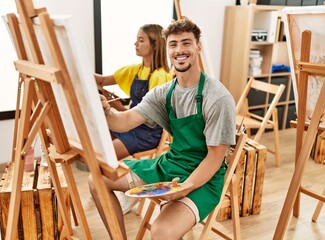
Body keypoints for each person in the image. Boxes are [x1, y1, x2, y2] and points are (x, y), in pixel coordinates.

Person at [88, 17, 236, 239]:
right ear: (167, 49)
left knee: (161, 231)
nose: (180, 50)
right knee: (97, 178)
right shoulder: (163, 93)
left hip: (204, 178)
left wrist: (184, 188)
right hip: (170, 164)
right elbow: (123, 121)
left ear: (198, 47)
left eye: (186, 43)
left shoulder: (217, 97)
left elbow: (214, 159)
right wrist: (106, 111)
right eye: (173, 44)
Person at [94, 24, 172, 160]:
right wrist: (75, 67)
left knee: (103, 157)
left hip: (147, 133)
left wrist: (118, 107)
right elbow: (101, 81)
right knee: (96, 142)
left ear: (155, 45)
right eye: (137, 39)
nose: (136, 44)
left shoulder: (160, 75)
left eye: (141, 40)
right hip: (130, 124)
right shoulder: (136, 70)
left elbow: (150, 116)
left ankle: (110, 180)